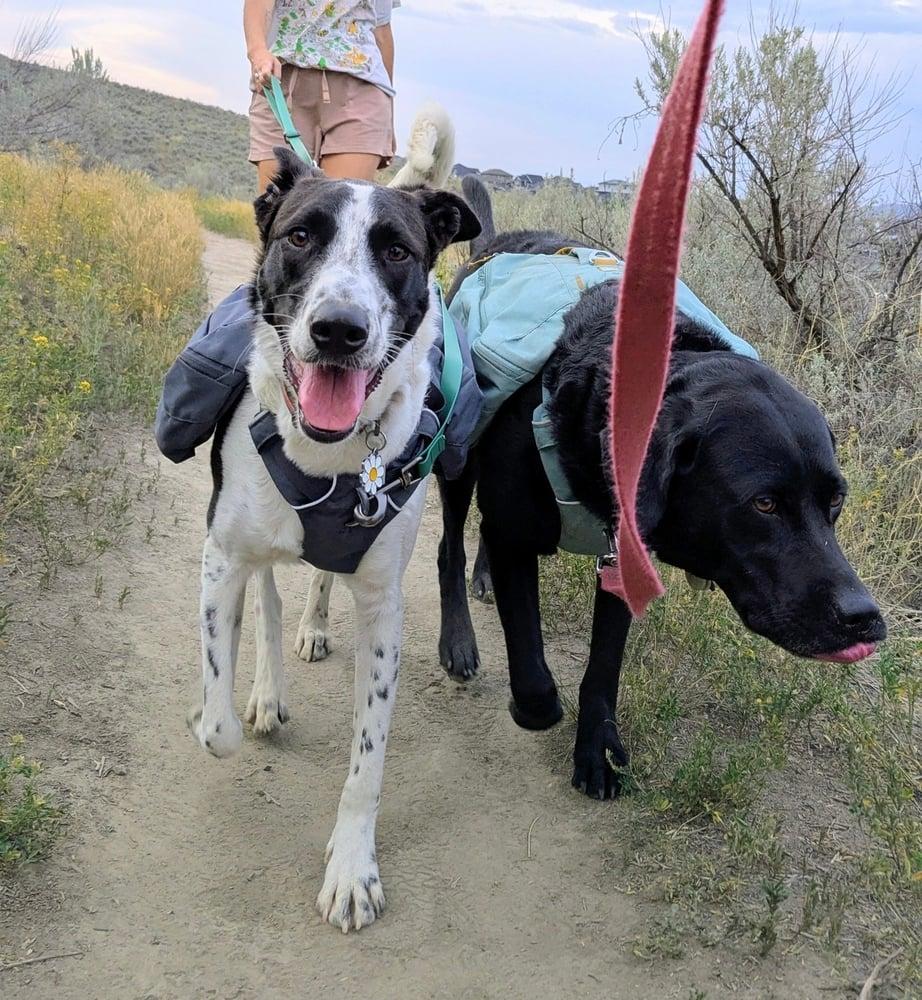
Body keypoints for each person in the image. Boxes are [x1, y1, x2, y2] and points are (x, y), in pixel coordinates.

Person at [244, 0, 398, 189]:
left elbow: (381, 27)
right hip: (281, 85)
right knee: (279, 210)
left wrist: (389, 116)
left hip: (361, 89)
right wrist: (258, 51)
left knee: (342, 210)